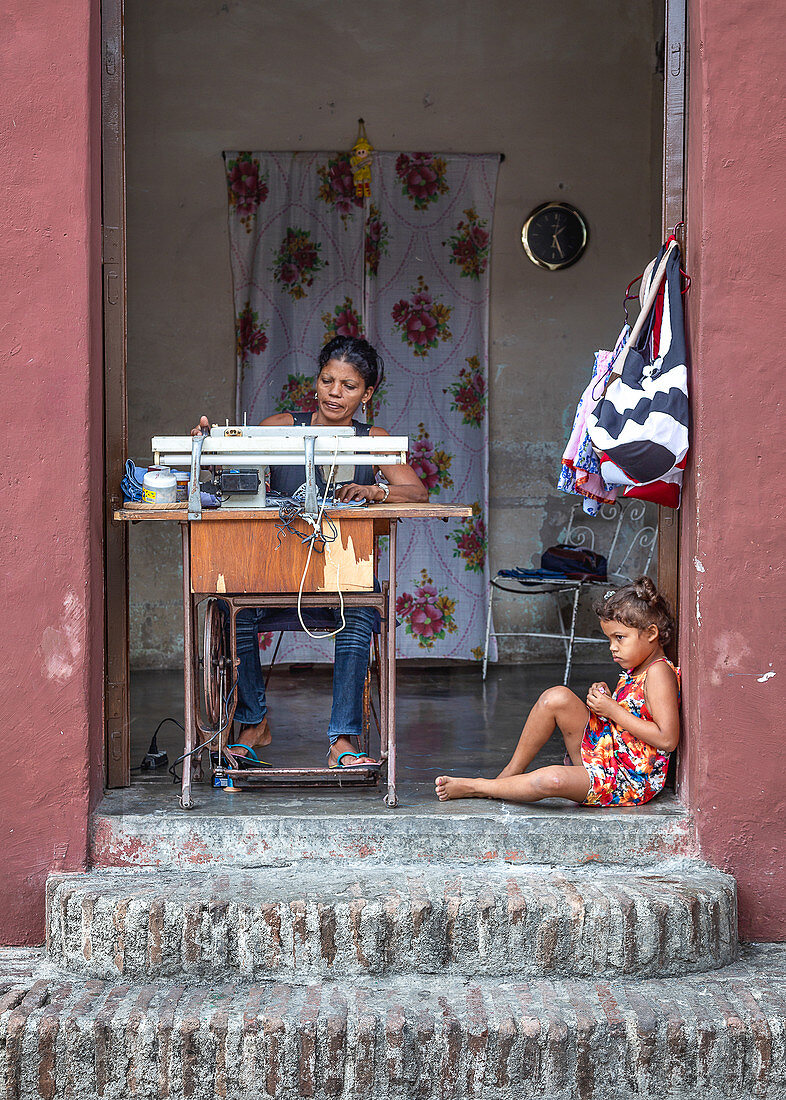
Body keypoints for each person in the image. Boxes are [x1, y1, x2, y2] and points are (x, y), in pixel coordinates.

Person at [193, 336, 426, 769]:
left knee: (358, 613)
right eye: (328, 380)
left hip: (340, 579)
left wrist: (378, 489)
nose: (335, 393)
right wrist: (206, 447)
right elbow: (227, 472)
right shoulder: (279, 425)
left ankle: (343, 738)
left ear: (367, 393)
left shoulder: (371, 439)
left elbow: (417, 491)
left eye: (349, 386)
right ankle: (252, 723)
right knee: (232, 609)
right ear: (315, 382)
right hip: (271, 573)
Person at [435, 576, 680, 806]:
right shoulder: (638, 667)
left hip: (628, 780)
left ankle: (481, 787)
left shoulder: (659, 673)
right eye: (610, 640)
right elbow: (635, 710)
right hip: (608, 754)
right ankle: (509, 774)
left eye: (619, 638)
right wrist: (606, 698)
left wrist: (613, 710)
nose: (612, 648)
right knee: (557, 697)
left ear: (651, 633)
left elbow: (667, 739)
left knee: (551, 780)